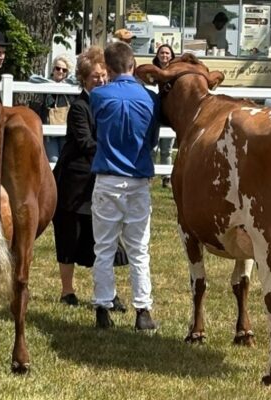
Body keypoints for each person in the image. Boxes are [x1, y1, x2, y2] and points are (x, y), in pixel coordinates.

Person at [90, 41, 160, 332]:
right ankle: (143, 310)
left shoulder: (98, 95)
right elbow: (153, 139)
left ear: (107, 67)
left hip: (108, 177)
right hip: (137, 178)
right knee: (139, 248)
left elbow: (96, 130)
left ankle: (103, 308)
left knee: (104, 247)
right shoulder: (150, 99)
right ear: (133, 64)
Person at [52, 47, 127, 311]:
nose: (101, 80)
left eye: (104, 75)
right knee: (69, 237)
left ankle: (109, 293)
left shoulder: (111, 103)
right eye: (95, 76)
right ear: (84, 79)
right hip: (74, 182)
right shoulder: (79, 108)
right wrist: (116, 151)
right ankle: (67, 291)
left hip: (102, 180)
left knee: (104, 240)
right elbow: (85, 143)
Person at [38, 55, 75, 163]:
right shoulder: (44, 83)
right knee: (53, 160)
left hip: (66, 129)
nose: (60, 71)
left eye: (64, 70)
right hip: (49, 130)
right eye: (58, 68)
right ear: (53, 69)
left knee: (65, 160)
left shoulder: (71, 85)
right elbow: (33, 79)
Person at [152, 44, 175, 188]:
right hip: (153, 114)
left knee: (167, 148)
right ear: (157, 55)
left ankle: (167, 178)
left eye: (167, 53)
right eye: (162, 53)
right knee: (152, 147)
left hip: (168, 115)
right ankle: (149, 175)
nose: (164, 55)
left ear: (171, 56)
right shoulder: (151, 72)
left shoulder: (175, 73)